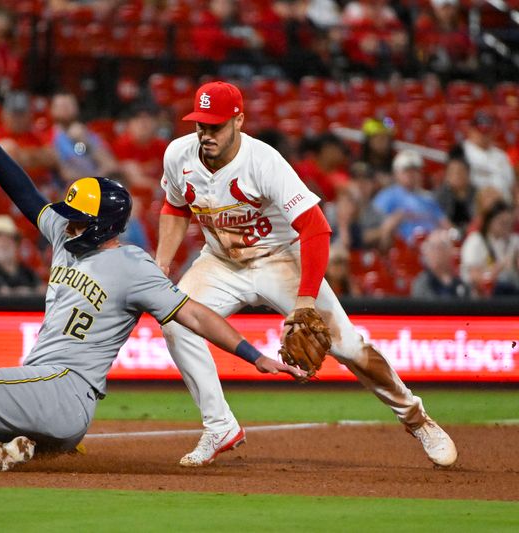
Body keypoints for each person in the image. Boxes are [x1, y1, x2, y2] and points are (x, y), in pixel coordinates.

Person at [0, 109, 304, 473]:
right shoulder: (67, 234)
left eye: (78, 217)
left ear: (104, 224)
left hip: (66, 391)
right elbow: (24, 194)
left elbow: (194, 315)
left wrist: (254, 355)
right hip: (37, 385)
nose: (65, 221)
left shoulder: (133, 266)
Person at [155, 81, 457, 468]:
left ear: (238, 121)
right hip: (220, 261)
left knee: (348, 347)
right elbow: (175, 206)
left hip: (280, 258)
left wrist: (305, 300)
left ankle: (417, 419)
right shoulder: (178, 154)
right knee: (176, 322)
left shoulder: (264, 162)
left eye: (215, 125)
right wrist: (163, 263)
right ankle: (220, 426)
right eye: (201, 124)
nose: (206, 133)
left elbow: (315, 228)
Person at [372, 149, 449, 244]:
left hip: (431, 247)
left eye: (415, 170)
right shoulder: (387, 196)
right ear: (397, 173)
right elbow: (376, 226)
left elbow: (445, 225)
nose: (411, 175)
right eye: (407, 171)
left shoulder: (429, 198)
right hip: (403, 248)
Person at [50, 92, 120, 183]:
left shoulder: (88, 134)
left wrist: (85, 141)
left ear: (77, 108)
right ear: (52, 110)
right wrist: (98, 177)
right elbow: (66, 174)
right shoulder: (50, 137)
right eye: (61, 105)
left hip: (95, 186)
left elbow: (111, 165)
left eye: (69, 105)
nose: (65, 109)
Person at [459, 201, 519, 297]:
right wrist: (499, 267)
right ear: (489, 222)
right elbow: (473, 276)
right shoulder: (476, 241)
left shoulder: (515, 241)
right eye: (502, 223)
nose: (506, 227)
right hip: (483, 296)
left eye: (509, 223)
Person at [0, 214, 42, 295]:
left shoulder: (27, 273)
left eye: (8, 237)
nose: (3, 242)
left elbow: (42, 290)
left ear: (16, 244)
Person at [111, 102, 169, 192]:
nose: (143, 123)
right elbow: (134, 180)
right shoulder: (121, 145)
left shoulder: (161, 145)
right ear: (128, 124)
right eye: (137, 119)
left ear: (156, 123)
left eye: (148, 118)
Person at [462, 111, 516, 203]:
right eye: (480, 131)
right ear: (471, 130)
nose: (483, 135)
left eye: (487, 131)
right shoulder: (461, 152)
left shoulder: (501, 155)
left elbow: (511, 185)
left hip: (504, 207)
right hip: (474, 207)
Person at [411, 229, 469, 299]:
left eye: (439, 248)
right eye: (431, 248)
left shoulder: (461, 283)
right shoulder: (422, 283)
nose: (434, 254)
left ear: (449, 251)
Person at [294, 133, 349, 203]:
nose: (341, 154)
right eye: (339, 150)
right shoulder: (303, 169)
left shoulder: (342, 174)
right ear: (326, 149)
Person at [435, 155, 476, 233]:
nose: (457, 175)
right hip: (447, 233)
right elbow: (439, 218)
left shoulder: (477, 194)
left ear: (468, 173)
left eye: (460, 171)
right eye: (453, 172)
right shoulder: (440, 195)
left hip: (472, 234)